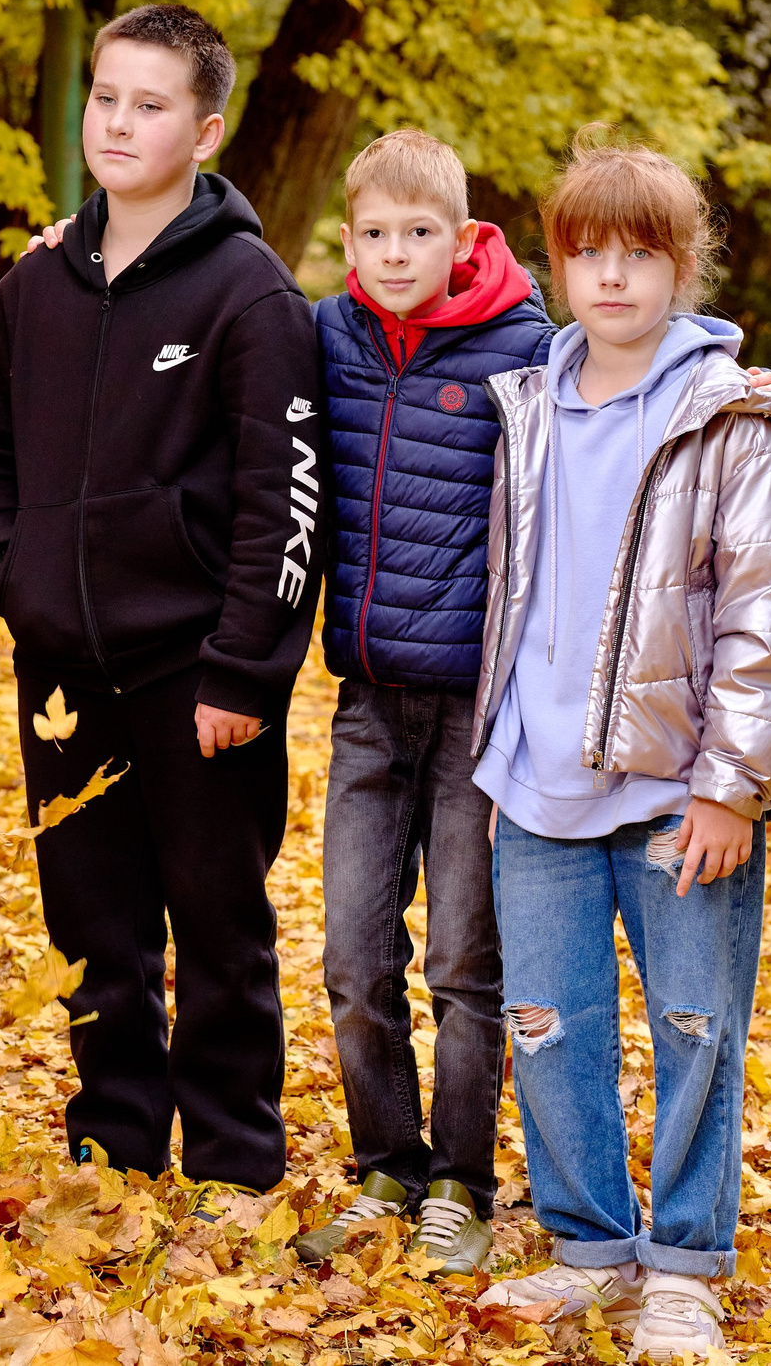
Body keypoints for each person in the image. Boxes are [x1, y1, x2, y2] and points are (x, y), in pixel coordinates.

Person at [468, 126, 771, 1359]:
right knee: (547, 1027)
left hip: (678, 793)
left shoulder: (730, 419)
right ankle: (588, 1249)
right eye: (587, 254)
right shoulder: (527, 406)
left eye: (639, 254)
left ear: (683, 267)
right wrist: (498, 748)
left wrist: (732, 788)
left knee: (693, 1027)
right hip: (536, 786)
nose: (611, 276)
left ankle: (681, 1268)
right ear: (557, 266)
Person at [0, 3, 323, 1199]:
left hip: (197, 676)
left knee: (217, 925)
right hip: (61, 668)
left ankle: (232, 1164)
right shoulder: (34, 287)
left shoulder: (250, 295)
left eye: (150, 105)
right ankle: (113, 1151)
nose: (117, 122)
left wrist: (243, 670)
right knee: (91, 924)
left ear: (205, 131)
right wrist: (7, 569)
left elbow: (286, 499)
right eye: (105, 97)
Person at [285, 131, 550, 1276]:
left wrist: (732, 383)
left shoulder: (525, 345)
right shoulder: (327, 334)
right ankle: (386, 1169)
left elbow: (626, 386)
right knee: (353, 956)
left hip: (474, 714)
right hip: (366, 703)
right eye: (373, 234)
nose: (394, 254)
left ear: (461, 236)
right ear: (349, 240)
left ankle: (460, 1185)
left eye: (418, 233)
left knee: (461, 964)